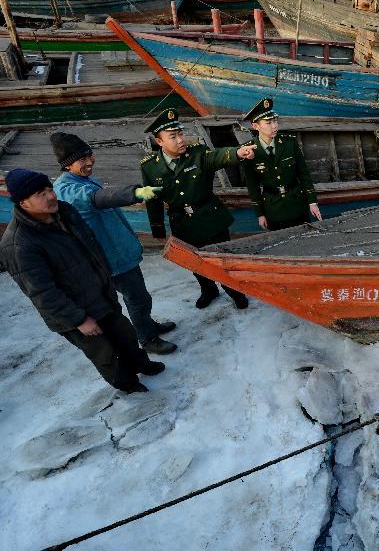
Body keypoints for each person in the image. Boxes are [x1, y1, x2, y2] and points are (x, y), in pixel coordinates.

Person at [0, 169, 165, 394]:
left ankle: (141, 364)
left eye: (49, 189)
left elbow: (92, 248)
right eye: (41, 193)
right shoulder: (19, 245)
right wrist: (79, 319)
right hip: (75, 314)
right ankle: (128, 385)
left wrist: (106, 283)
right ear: (23, 203)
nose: (51, 196)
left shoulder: (65, 212)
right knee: (105, 354)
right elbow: (42, 293)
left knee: (125, 335)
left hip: (99, 296)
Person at [51, 132, 178, 355]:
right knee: (136, 299)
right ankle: (147, 339)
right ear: (67, 165)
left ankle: (147, 325)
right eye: (82, 160)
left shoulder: (84, 178)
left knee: (141, 296)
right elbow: (100, 198)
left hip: (121, 252)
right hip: (111, 259)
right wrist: (136, 193)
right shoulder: (68, 190)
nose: (89, 162)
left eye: (90, 156)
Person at [140, 108, 256, 309]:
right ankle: (208, 289)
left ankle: (234, 291)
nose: (180, 140)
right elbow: (152, 198)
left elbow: (218, 156)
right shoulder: (149, 167)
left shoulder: (198, 154)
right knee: (196, 262)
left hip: (210, 218)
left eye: (181, 134)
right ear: (159, 142)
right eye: (173, 137)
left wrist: (238, 152)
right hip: (183, 223)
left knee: (223, 260)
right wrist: (157, 226)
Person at [238, 98, 322, 231]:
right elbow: (252, 186)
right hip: (273, 210)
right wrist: (260, 214)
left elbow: (304, 174)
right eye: (268, 123)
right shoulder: (248, 150)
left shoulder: (289, 143)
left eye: (275, 121)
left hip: (297, 205)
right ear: (256, 126)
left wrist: (312, 202)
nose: (274, 126)